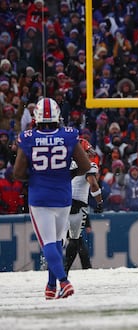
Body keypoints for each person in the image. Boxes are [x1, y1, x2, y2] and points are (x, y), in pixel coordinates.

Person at [13, 97, 91, 300]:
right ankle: (50, 285)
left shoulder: (28, 137)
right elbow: (84, 166)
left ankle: (64, 282)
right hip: (63, 195)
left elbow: (18, 172)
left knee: (48, 243)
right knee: (57, 242)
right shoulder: (68, 135)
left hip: (40, 197)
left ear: (36, 117)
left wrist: (37, 176)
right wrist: (67, 175)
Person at [65, 138, 104, 275]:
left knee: (59, 239)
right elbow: (93, 184)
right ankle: (64, 271)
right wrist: (99, 202)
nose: (91, 153)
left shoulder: (64, 161)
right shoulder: (89, 164)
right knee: (75, 240)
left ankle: (52, 266)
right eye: (87, 150)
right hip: (77, 205)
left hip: (60, 203)